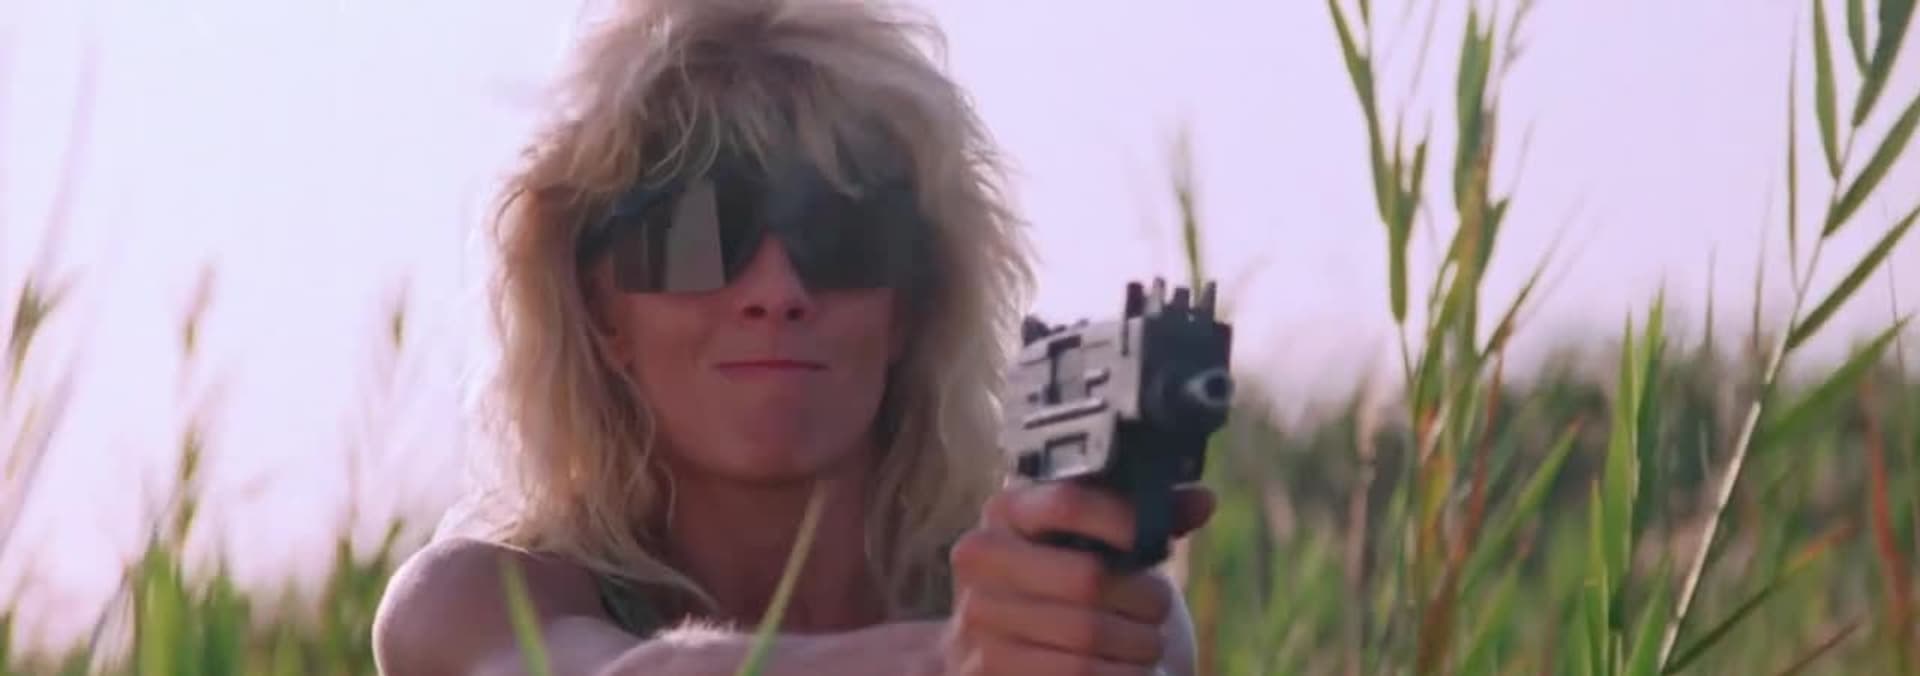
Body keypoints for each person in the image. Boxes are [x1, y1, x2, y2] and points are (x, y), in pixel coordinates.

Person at [371, 0, 1218, 674]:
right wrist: (949, 657)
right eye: (697, 237)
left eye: (843, 234)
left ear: (911, 304)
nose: (776, 293)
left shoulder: (1083, 616)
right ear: (601, 309)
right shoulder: (467, 603)